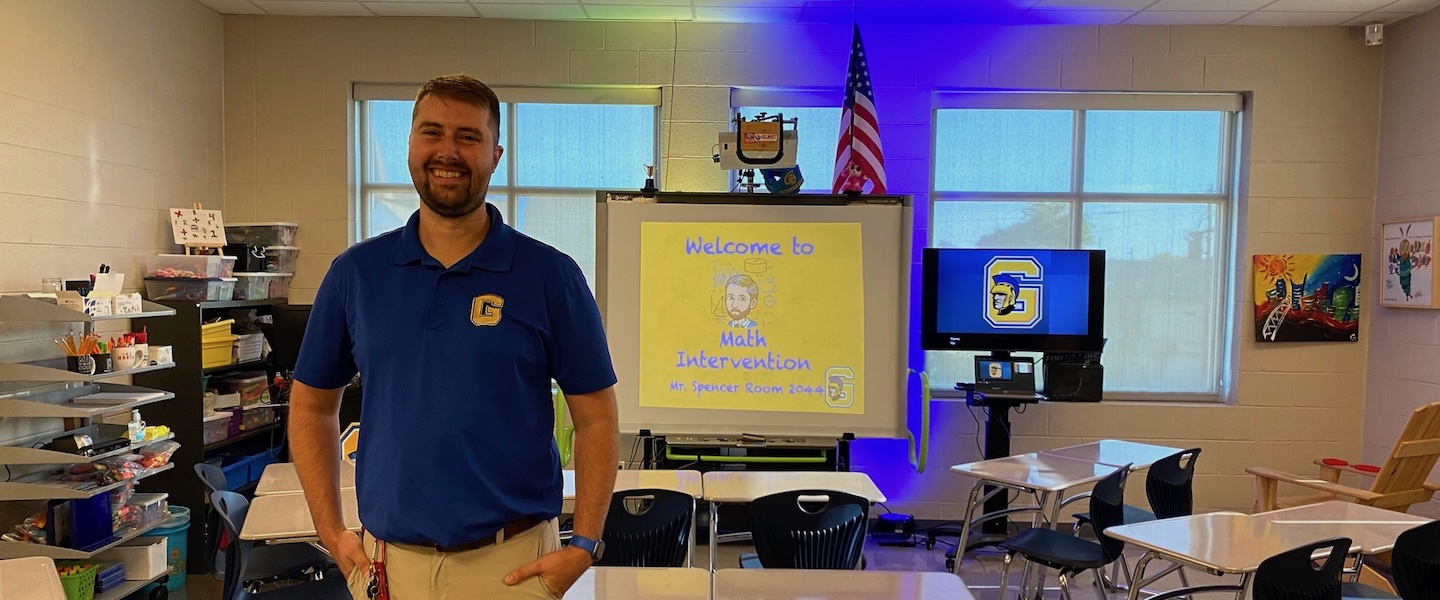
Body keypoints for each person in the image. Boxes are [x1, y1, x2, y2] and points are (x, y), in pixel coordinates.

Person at [289, 74, 619, 600]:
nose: (448, 151)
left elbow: (596, 416)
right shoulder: (356, 274)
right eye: (432, 132)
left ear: (495, 154)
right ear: (411, 145)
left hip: (514, 567)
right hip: (387, 567)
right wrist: (331, 530)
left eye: (468, 136)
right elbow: (310, 406)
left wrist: (585, 543)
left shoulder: (549, 276)